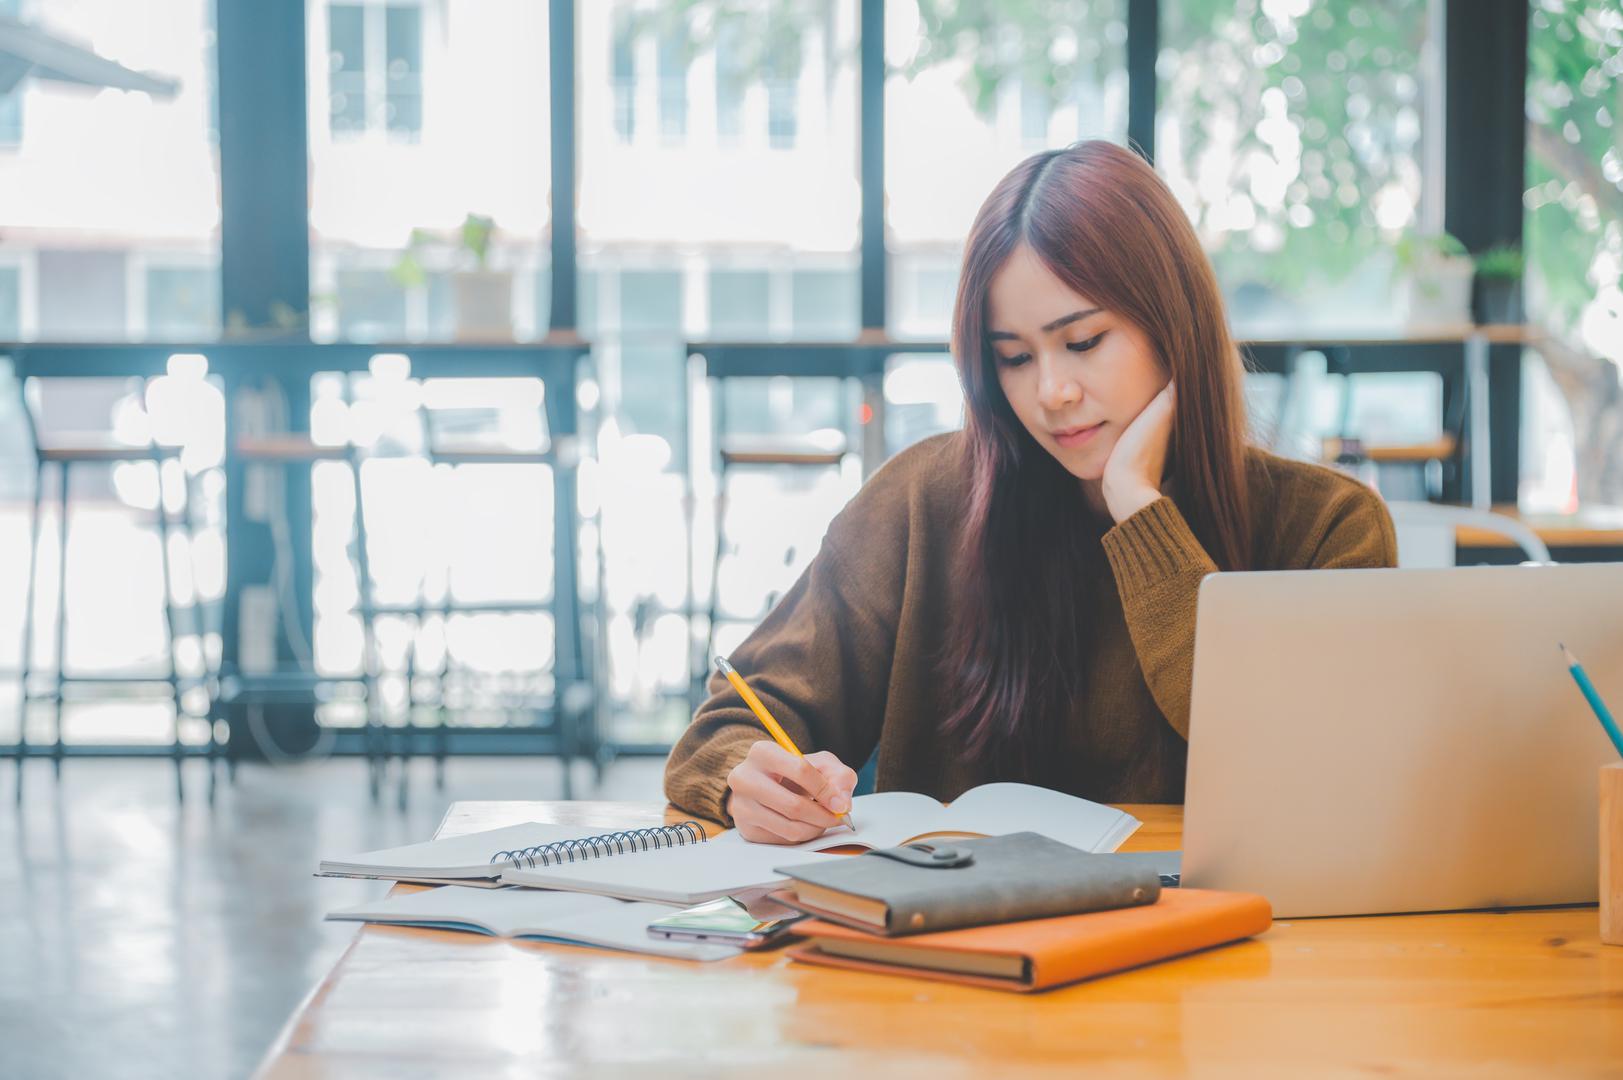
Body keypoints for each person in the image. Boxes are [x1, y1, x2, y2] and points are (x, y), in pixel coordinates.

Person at [664, 140, 1397, 844]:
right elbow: (726, 727)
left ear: (1176, 327)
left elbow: (1310, 777)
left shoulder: (1327, 526)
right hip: (954, 953)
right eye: (1012, 357)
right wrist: (745, 779)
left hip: (1231, 949)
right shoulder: (924, 502)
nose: (1050, 392)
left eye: (1082, 343)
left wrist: (1139, 508)